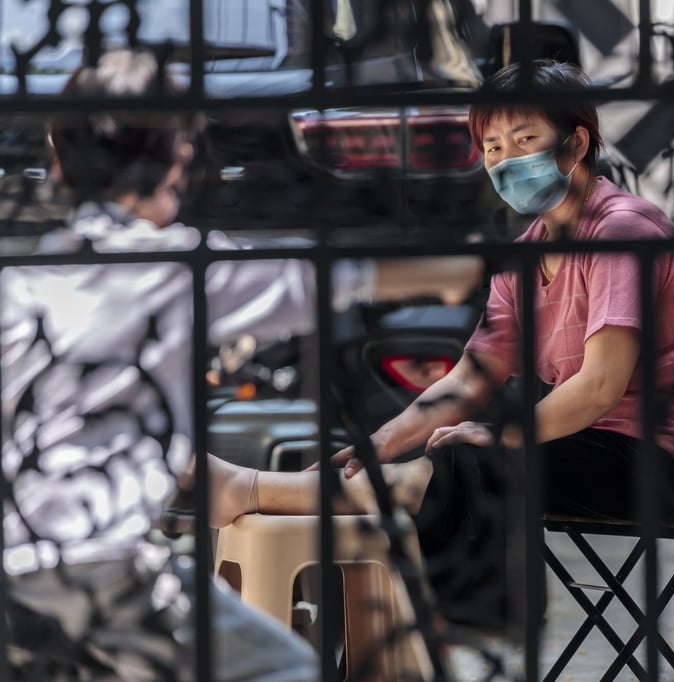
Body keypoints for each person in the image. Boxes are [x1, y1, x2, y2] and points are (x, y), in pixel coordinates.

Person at [1, 48, 481, 680]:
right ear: (178, 157)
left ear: (60, 162)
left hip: (16, 575)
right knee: (284, 670)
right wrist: (474, 266)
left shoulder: (24, 281)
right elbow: (347, 275)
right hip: (100, 574)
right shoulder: (179, 265)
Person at [319, 59, 674, 629]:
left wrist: (499, 434)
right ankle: (431, 622)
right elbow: (471, 377)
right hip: (599, 445)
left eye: (524, 139)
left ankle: (457, 628)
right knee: (454, 455)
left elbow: (598, 387)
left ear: (575, 144)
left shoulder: (621, 233)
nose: (506, 159)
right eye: (492, 147)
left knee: (468, 457)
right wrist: (379, 445)